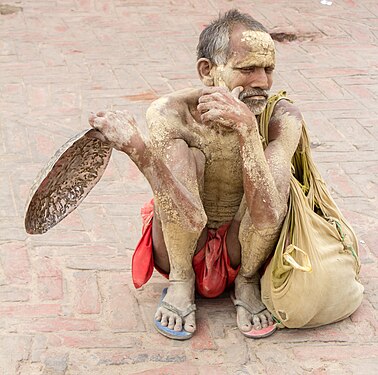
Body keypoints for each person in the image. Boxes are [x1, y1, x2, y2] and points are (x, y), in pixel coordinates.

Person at [88, 9, 305, 340]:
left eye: (268, 69)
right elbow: (188, 218)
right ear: (208, 71)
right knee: (182, 157)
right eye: (247, 69)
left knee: (278, 176)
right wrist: (138, 149)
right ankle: (180, 280)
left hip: (246, 248)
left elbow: (269, 215)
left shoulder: (281, 116)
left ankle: (246, 283)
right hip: (181, 246)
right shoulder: (171, 113)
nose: (261, 81)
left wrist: (248, 132)